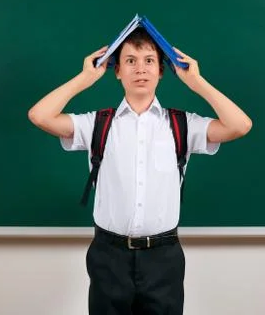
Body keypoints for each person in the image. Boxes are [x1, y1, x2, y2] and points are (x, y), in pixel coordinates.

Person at [28, 27, 252, 315]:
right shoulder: (97, 124)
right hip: (108, 256)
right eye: (130, 61)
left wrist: (196, 82)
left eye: (149, 60)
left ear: (161, 71)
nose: (140, 69)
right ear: (117, 70)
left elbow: (240, 125)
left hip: (164, 258)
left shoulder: (182, 125)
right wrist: (84, 79)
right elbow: (39, 115)